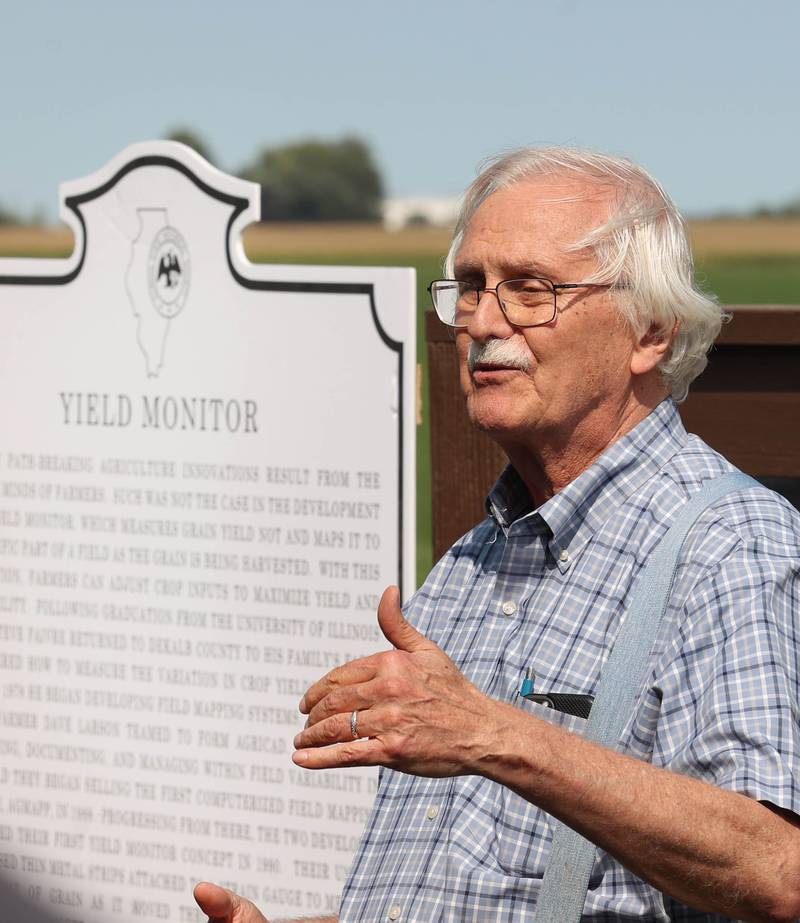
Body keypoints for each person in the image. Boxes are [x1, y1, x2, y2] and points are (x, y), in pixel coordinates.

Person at [194, 148, 800, 922]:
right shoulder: (471, 562)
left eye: (530, 290)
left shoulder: (726, 544)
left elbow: (777, 866)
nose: (482, 321)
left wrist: (491, 734)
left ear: (649, 331)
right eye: (472, 287)